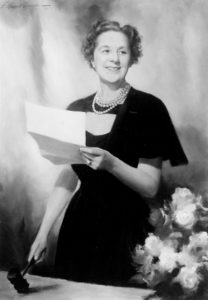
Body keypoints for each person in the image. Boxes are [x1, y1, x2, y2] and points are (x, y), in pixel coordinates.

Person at [28, 20, 188, 286]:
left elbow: (150, 187)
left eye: (122, 52)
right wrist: (43, 233)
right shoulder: (75, 110)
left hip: (127, 230)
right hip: (79, 229)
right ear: (92, 57)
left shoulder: (149, 108)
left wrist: (112, 164)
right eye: (105, 50)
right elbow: (68, 176)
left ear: (131, 57)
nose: (114, 58)